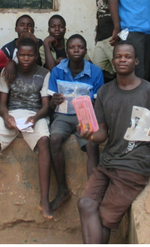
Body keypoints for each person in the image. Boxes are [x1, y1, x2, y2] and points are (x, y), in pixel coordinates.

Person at [77, 41, 150, 244]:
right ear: (112, 61)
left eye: (128, 57)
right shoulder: (104, 92)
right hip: (108, 161)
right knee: (85, 204)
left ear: (136, 61)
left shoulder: (149, 91)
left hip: (134, 166)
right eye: (119, 57)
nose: (123, 60)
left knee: (105, 219)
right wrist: (90, 136)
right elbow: (102, 132)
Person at [0, 38, 54, 220]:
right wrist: (6, 117)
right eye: (22, 55)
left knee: (44, 141)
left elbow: (46, 106)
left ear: (36, 56)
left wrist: (36, 117)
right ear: (17, 55)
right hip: (12, 113)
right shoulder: (9, 72)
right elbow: (1, 104)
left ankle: (44, 200)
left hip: (35, 114)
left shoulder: (44, 73)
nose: (26, 58)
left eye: (30, 55)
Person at [48, 34, 104, 211]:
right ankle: (62, 189)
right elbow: (49, 104)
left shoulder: (95, 72)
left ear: (86, 51)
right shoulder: (57, 71)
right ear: (67, 50)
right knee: (54, 139)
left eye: (80, 47)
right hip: (62, 116)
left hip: (85, 116)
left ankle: (92, 195)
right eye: (72, 47)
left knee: (92, 145)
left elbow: (98, 103)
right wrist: (53, 101)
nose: (76, 50)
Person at [91, 0, 115, 80]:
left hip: (113, 37)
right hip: (101, 38)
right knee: (97, 71)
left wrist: (118, 31)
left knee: (121, 69)